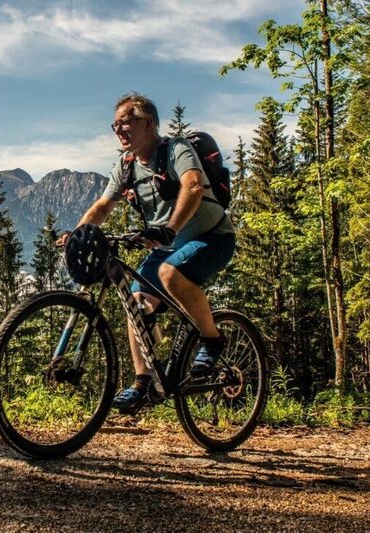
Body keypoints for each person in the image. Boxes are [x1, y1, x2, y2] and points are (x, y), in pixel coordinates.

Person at [58, 92, 236, 412]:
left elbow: (193, 186)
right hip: (167, 244)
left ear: (150, 123)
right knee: (134, 302)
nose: (120, 130)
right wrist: (80, 233)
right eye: (116, 124)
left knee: (170, 273)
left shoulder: (175, 150)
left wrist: (169, 227)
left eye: (127, 121)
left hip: (211, 237)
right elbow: (101, 206)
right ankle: (144, 381)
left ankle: (212, 339)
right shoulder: (126, 166)